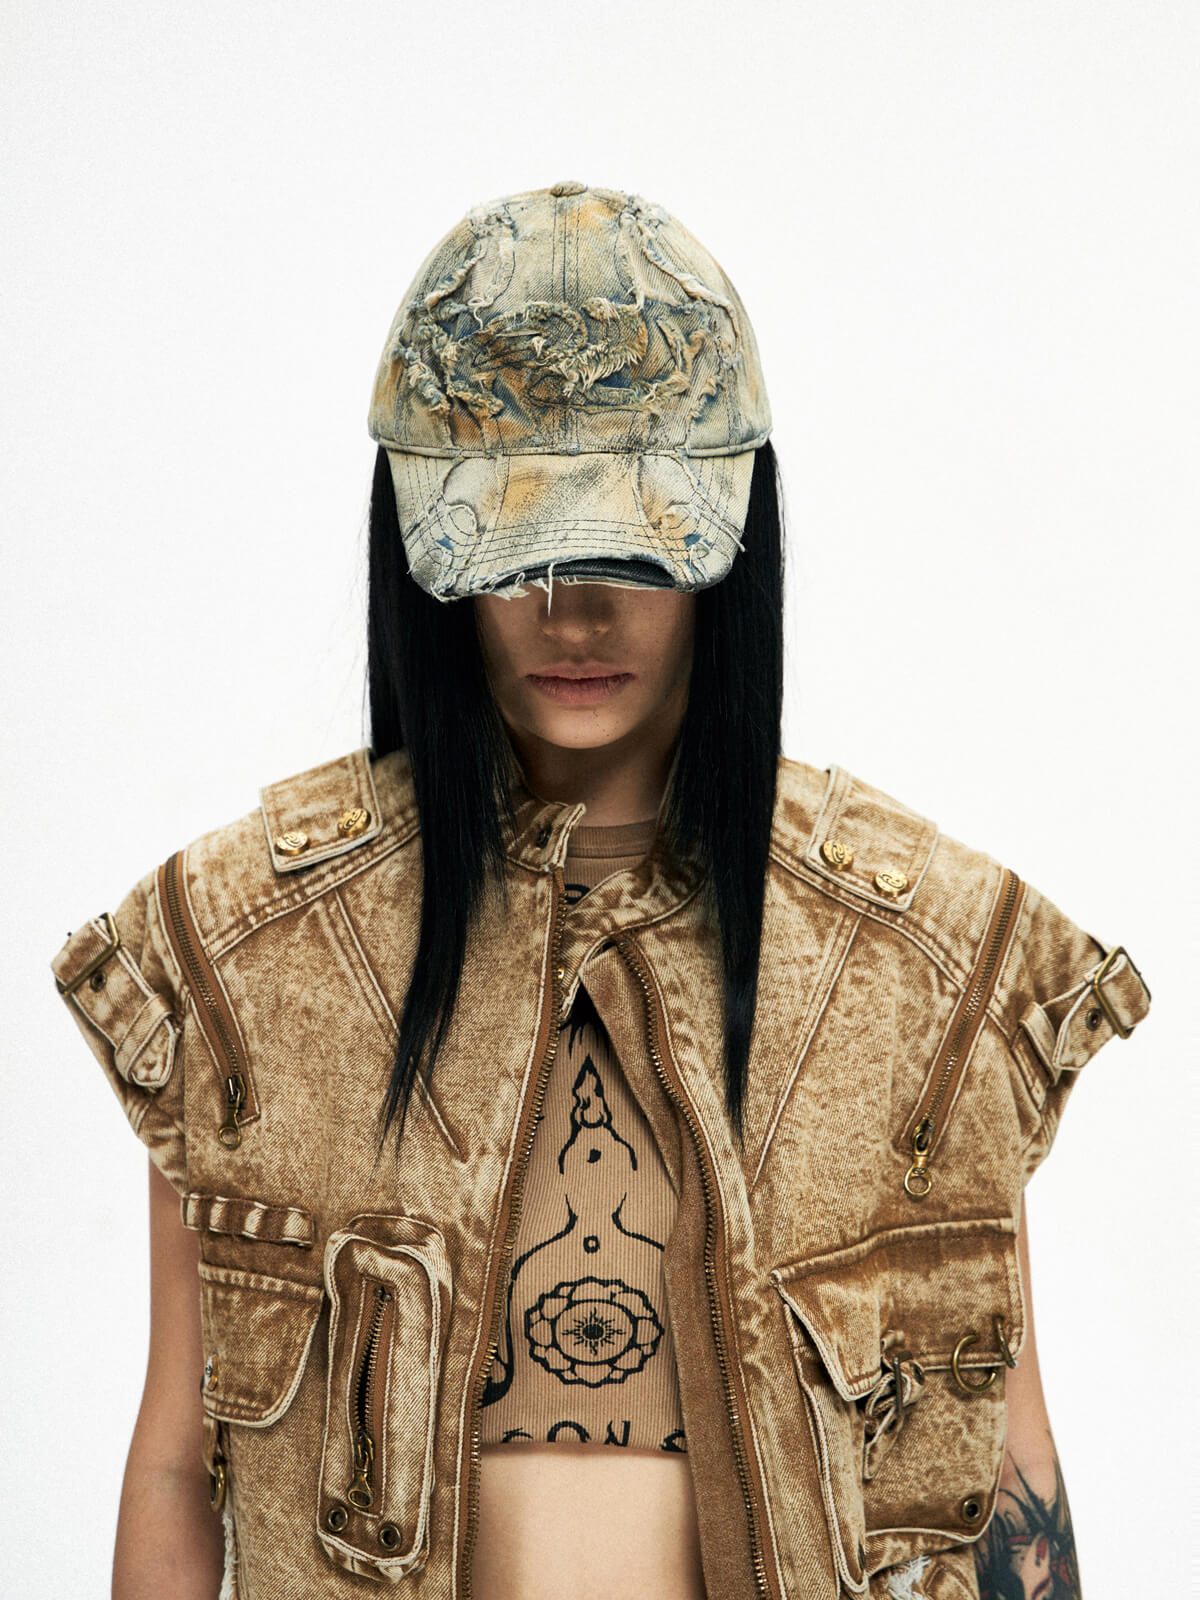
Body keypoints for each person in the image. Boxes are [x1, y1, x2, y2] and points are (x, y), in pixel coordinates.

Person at [51, 181, 1151, 1600]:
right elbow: (175, 1459)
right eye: (519, 556)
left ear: (729, 548)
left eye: (634, 553)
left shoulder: (923, 968)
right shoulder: (248, 957)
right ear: (427, 560)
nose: (574, 614)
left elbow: (1008, 1467)